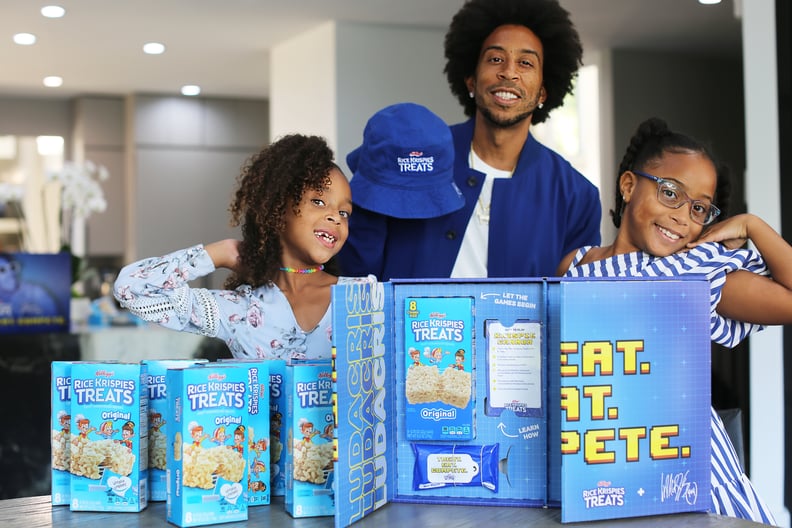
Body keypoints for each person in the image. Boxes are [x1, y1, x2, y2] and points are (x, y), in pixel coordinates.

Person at [558, 117, 789, 524]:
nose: (683, 217)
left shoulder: (696, 271)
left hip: (696, 484)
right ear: (629, 186)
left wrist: (753, 225)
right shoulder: (575, 266)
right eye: (670, 194)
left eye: (699, 207)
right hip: (603, 479)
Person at [338, 0, 601, 280]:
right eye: (495, 59)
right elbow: (354, 267)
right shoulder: (416, 153)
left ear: (543, 93)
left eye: (525, 63)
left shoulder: (576, 196)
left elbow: (574, 303)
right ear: (471, 80)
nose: (509, 72)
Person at [114, 134, 372, 361]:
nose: (335, 217)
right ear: (277, 209)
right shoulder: (240, 309)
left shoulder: (363, 298)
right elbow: (131, 289)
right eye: (318, 201)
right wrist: (221, 253)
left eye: (344, 212)